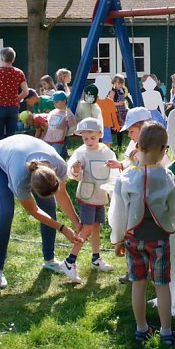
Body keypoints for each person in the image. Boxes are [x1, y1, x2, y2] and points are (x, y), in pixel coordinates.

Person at [109, 122, 175, 345]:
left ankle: (141, 329)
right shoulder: (167, 176)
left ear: (138, 147)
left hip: (133, 240)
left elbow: (118, 212)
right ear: (162, 150)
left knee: (138, 283)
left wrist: (118, 238)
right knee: (162, 284)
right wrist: (174, 223)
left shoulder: (126, 177)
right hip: (159, 239)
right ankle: (166, 332)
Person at [0, 134, 83, 287]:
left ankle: (49, 259)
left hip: (19, 150)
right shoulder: (21, 179)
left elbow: (61, 194)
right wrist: (63, 228)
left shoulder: (60, 165)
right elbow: (34, 210)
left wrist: (76, 223)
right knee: (6, 212)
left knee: (49, 206)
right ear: (32, 186)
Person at [59, 118, 118, 282]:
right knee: (87, 228)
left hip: (100, 196)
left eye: (92, 138)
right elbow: (73, 173)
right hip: (86, 196)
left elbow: (113, 174)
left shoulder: (107, 152)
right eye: (85, 139)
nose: (89, 141)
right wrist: (76, 169)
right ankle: (69, 261)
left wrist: (112, 192)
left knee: (96, 227)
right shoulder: (81, 152)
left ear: (100, 134)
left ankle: (96, 258)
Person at [0, 47, 30, 141]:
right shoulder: (19, 72)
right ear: (13, 59)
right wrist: (17, 99)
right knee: (11, 137)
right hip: (13, 107)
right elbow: (26, 91)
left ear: (2, 58)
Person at [42, 91, 76, 158]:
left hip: (58, 141)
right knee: (46, 156)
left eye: (57, 102)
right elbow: (48, 124)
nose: (55, 104)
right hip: (47, 139)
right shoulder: (52, 112)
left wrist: (66, 134)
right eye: (54, 102)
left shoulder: (68, 114)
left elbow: (72, 126)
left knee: (54, 157)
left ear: (64, 101)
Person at [110, 74, 129, 147]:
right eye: (119, 83)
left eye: (122, 83)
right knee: (115, 128)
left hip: (122, 112)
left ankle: (119, 145)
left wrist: (126, 107)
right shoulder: (113, 91)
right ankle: (110, 143)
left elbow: (124, 101)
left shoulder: (122, 90)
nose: (121, 85)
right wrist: (117, 103)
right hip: (116, 112)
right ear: (114, 83)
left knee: (121, 129)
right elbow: (110, 102)